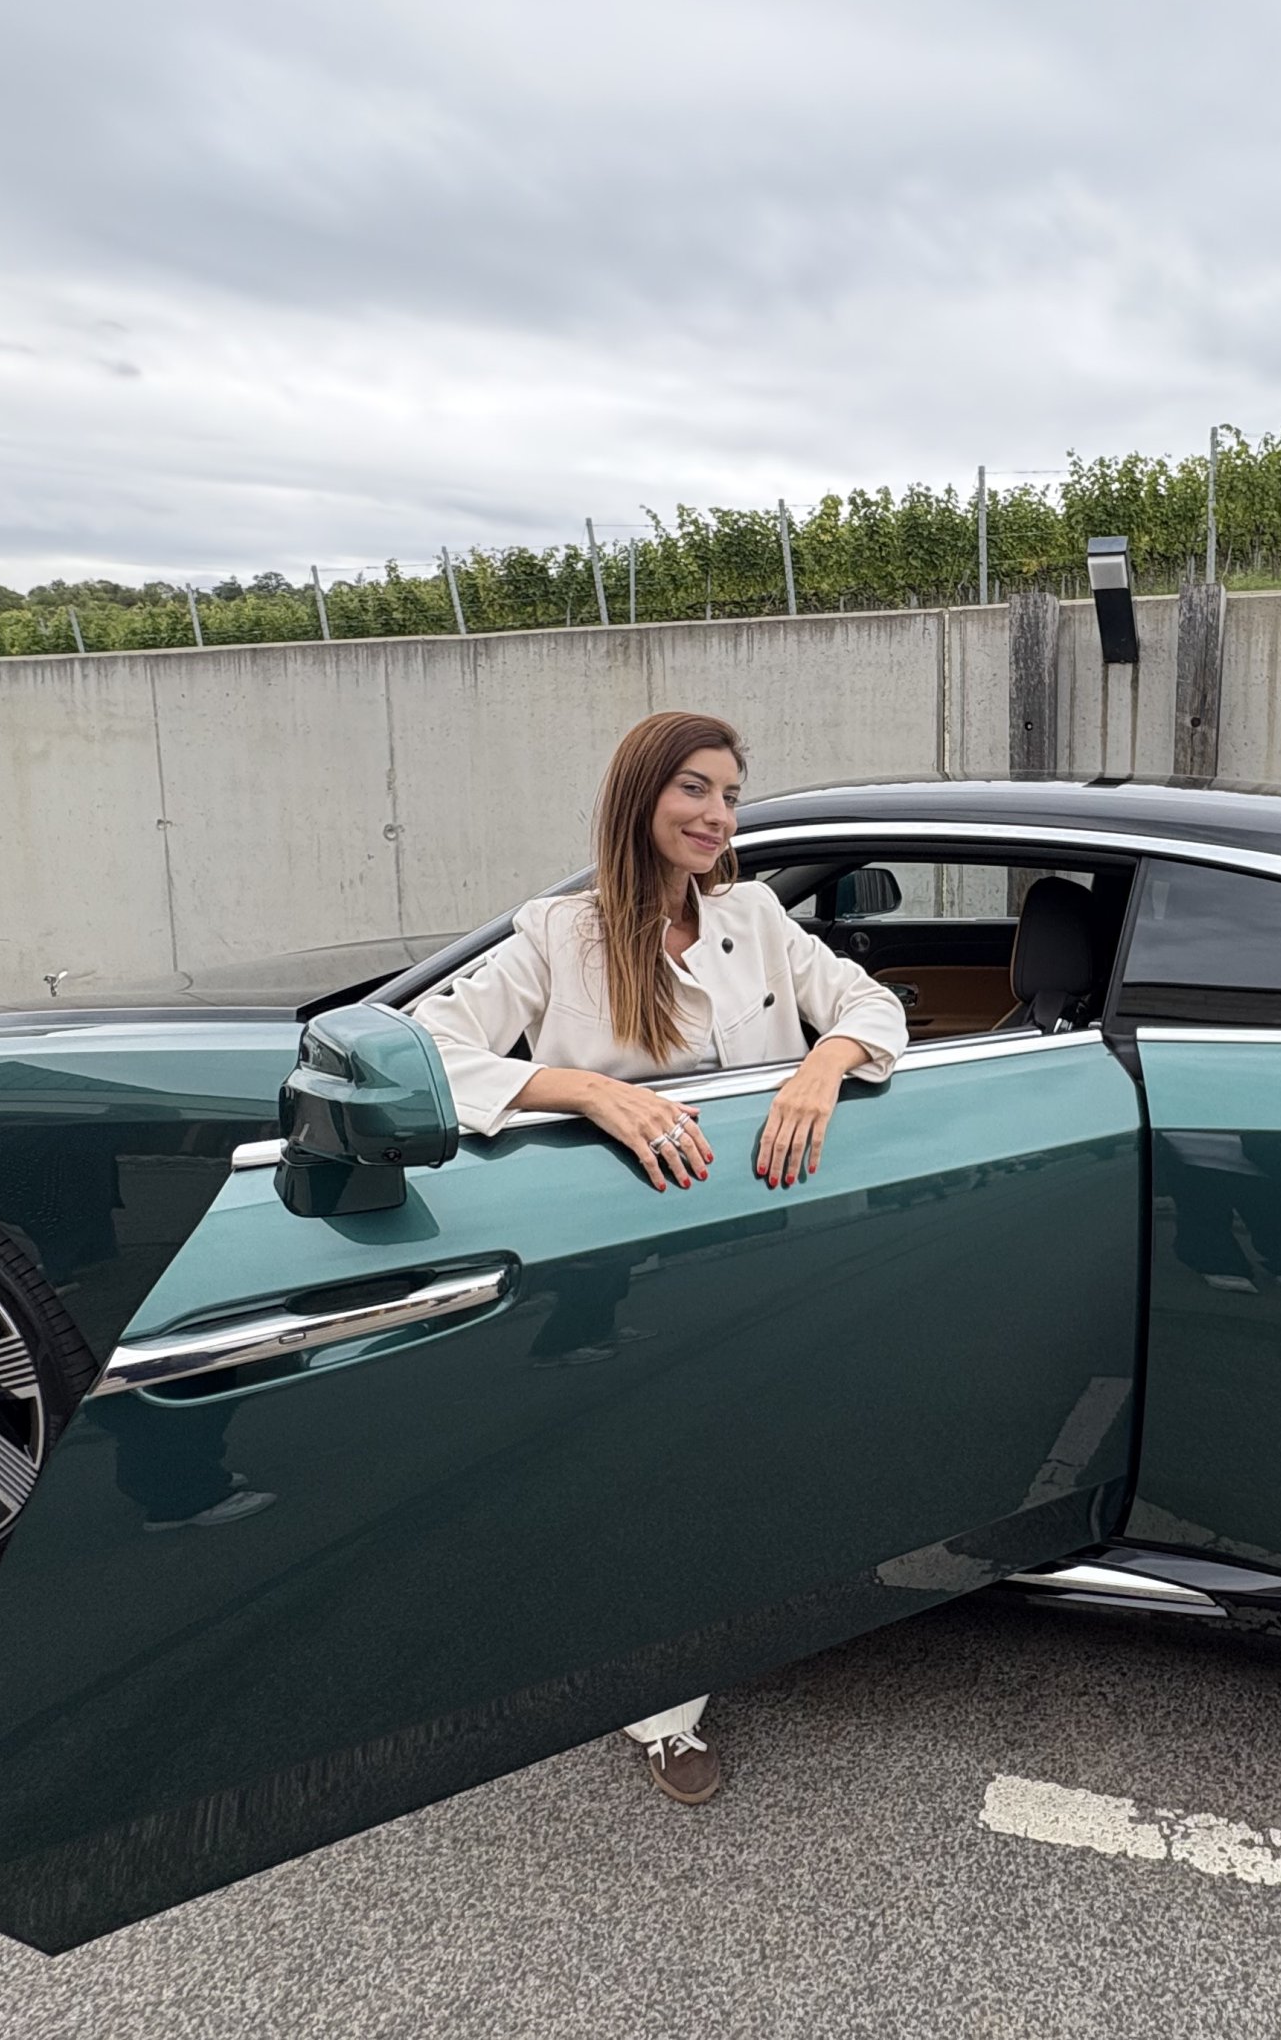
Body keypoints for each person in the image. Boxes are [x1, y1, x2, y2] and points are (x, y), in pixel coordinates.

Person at [403, 709, 907, 1805]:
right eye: (693, 789)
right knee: (647, 1476)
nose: (716, 815)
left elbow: (873, 1005)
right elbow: (426, 1046)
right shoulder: (556, 936)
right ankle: (661, 1709)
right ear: (639, 797)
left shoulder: (760, 916)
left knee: (756, 1446)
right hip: (627, 1246)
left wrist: (823, 1066)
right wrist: (584, 1087)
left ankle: (768, 1615)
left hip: (773, 1233)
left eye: (728, 794)